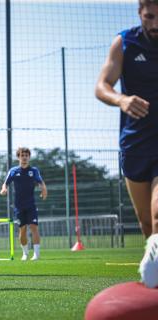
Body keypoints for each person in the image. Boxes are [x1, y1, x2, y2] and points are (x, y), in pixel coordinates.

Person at [95, 0, 158, 288]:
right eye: (150, 17)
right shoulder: (124, 42)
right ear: (140, 12)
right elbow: (102, 85)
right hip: (135, 144)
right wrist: (121, 99)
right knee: (147, 223)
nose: (155, 24)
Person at [0, 147, 47, 261]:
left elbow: (41, 182)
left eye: (26, 155)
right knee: (22, 230)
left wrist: (44, 190)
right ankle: (25, 253)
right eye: (22, 155)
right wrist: (4, 190)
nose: (24, 157)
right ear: (18, 157)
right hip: (18, 206)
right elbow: (5, 184)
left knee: (34, 227)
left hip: (31, 205)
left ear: (29, 157)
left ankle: (36, 254)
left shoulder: (34, 170)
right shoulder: (13, 171)